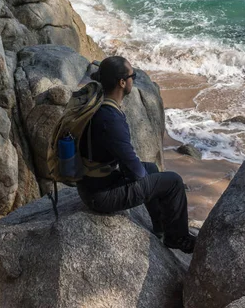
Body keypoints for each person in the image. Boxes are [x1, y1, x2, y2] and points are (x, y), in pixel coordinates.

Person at [77, 55, 196, 254]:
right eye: (133, 75)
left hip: (90, 184)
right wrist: (144, 180)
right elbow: (136, 174)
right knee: (173, 181)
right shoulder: (111, 120)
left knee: (150, 168)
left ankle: (160, 228)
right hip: (100, 197)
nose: (134, 78)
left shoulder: (95, 104)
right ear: (122, 83)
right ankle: (177, 238)